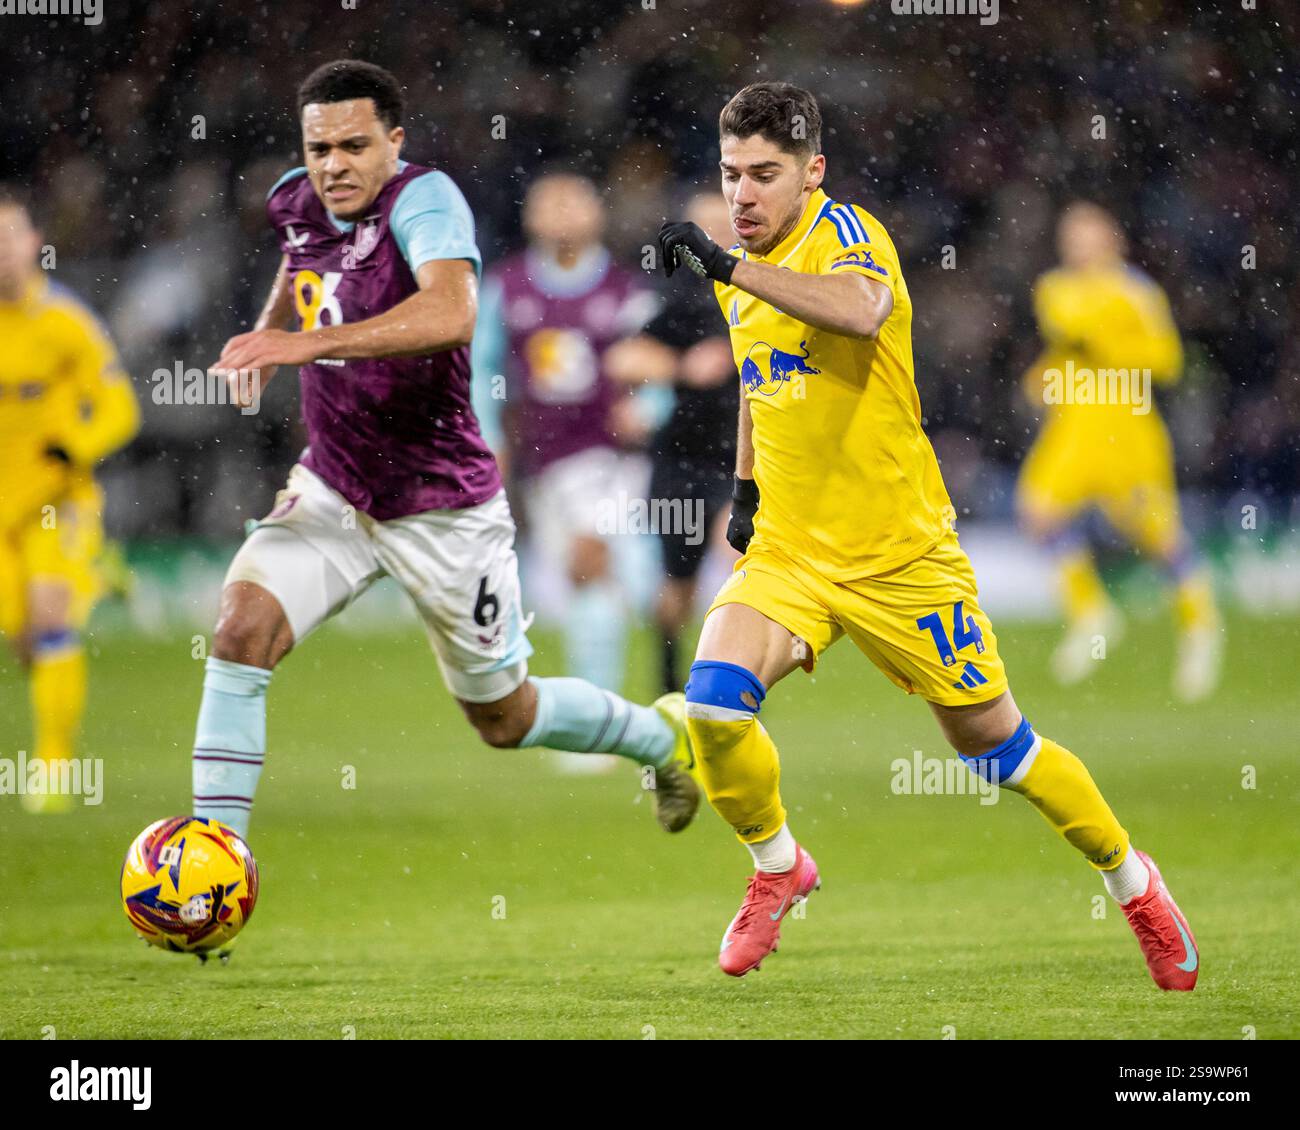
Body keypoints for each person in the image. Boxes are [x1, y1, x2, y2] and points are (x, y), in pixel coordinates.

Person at [656, 82, 1199, 990]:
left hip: (901, 556)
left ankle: (1135, 883)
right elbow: (757, 377)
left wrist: (724, 264)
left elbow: (859, 311)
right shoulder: (742, 268)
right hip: (792, 549)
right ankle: (779, 866)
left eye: (764, 175)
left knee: (1001, 753)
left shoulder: (846, 237)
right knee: (713, 702)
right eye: (730, 174)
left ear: (812, 172)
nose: (742, 195)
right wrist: (744, 492)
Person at [197, 60, 698, 853]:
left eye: (355, 146)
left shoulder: (424, 199)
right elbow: (302, 266)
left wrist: (302, 344)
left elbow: (452, 312)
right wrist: (268, 337)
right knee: (239, 628)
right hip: (333, 485)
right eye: (319, 147)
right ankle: (211, 860)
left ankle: (657, 739)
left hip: (441, 502)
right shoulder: (295, 198)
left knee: (505, 716)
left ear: (394, 142)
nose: (334, 165)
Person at [472, 174, 658, 769]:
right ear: (531, 218)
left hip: (611, 456)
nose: (561, 213)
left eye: (573, 200)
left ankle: (599, 731)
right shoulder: (506, 286)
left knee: (591, 564)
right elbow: (482, 366)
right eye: (548, 203)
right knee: (593, 584)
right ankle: (619, 718)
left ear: (596, 213)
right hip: (544, 462)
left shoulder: (628, 289)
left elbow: (661, 363)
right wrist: (491, 435)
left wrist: (648, 407)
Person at [1018, 202, 1223, 700]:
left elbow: (1168, 361)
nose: (1077, 245)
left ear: (1113, 239)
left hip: (1125, 431)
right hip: (1073, 430)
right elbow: (1066, 351)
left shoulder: (1136, 293)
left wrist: (1109, 351)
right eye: (1070, 235)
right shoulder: (1054, 290)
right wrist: (1042, 379)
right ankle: (1092, 615)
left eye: (1087, 235)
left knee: (1160, 538)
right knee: (1037, 511)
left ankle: (1201, 629)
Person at [0, 186, 140, 813]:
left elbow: (119, 406)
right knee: (23, 638)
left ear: (33, 244)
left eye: (10, 238)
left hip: (55, 503)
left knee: (51, 617)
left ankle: (53, 771)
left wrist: (75, 446)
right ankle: (101, 576)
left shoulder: (66, 322)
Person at [605, 191, 739, 695]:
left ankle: (733, 687)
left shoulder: (766, 290)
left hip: (744, 461)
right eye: (701, 227)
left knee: (742, 564)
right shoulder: (678, 295)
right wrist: (684, 368)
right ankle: (669, 687)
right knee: (676, 587)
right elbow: (622, 358)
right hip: (681, 458)